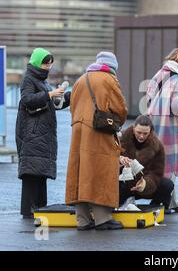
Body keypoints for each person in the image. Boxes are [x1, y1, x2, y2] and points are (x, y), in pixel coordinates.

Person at [65, 52, 127, 230]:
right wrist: (117, 123)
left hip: (78, 130)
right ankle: (102, 219)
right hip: (98, 131)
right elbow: (120, 109)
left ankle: (82, 220)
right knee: (100, 170)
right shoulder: (109, 80)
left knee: (80, 172)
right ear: (112, 67)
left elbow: (73, 107)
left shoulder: (81, 79)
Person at [16, 47, 70, 219]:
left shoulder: (42, 80)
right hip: (32, 135)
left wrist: (65, 96)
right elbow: (27, 100)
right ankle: (29, 212)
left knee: (40, 173)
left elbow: (52, 103)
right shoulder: (28, 80)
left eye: (50, 64)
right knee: (32, 173)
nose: (48, 67)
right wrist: (49, 94)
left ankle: (39, 209)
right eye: (46, 64)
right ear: (38, 62)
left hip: (43, 135)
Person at [146, 48, 178, 214]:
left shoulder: (159, 75)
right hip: (171, 126)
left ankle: (171, 201)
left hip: (155, 122)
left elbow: (148, 96)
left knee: (158, 160)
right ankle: (165, 201)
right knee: (170, 163)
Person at [118, 115, 174, 211]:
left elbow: (157, 173)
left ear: (151, 131)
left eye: (145, 133)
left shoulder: (158, 146)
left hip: (144, 184)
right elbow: (107, 160)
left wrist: (145, 184)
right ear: (133, 127)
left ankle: (156, 204)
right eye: (138, 132)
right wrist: (119, 160)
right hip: (124, 184)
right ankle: (116, 204)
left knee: (167, 184)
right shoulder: (120, 139)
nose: (141, 136)